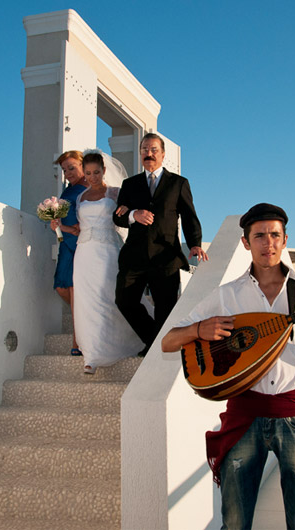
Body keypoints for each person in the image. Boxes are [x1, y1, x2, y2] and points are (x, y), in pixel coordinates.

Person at [162, 203, 295, 529]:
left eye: (275, 235)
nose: (269, 243)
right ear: (246, 243)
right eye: (259, 236)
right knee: (234, 521)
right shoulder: (227, 296)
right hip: (244, 416)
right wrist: (197, 330)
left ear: (285, 239)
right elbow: (168, 341)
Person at [112, 132, 207, 356]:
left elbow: (190, 216)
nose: (149, 153)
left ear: (163, 154)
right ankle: (155, 341)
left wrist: (195, 243)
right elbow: (117, 217)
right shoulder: (129, 184)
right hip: (134, 257)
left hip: (166, 257)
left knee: (165, 309)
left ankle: (156, 350)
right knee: (124, 301)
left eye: (154, 150)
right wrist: (134, 214)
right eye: (144, 149)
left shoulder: (179, 183)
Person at [69, 151, 144, 374]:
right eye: (88, 173)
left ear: (104, 170)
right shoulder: (80, 197)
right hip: (84, 252)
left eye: (97, 172)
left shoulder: (115, 192)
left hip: (107, 251)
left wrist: (128, 211)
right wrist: (59, 226)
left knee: (107, 296)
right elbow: (80, 227)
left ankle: (121, 340)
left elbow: (126, 216)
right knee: (86, 300)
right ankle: (91, 356)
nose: (92, 177)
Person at [51, 150, 88, 356]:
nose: (68, 173)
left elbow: (84, 223)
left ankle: (78, 342)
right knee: (60, 287)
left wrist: (66, 228)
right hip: (66, 244)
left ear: (83, 166)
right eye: (65, 170)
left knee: (74, 289)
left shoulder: (88, 189)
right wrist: (56, 224)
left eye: (71, 168)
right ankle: (85, 313)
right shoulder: (68, 190)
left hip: (79, 244)